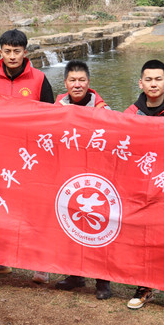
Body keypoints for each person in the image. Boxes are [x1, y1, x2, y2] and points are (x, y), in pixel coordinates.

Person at [0, 29, 54, 282]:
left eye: (17, 51)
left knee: (34, 210)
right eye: (7, 51)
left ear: (25, 52)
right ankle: (1, 261)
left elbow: (51, 117)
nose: (12, 56)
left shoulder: (39, 79)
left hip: (31, 157)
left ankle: (40, 264)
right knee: (0, 208)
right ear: (0, 52)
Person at [123, 59, 164, 314]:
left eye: (158, 79)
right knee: (142, 238)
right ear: (140, 83)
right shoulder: (130, 114)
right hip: (140, 186)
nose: (153, 84)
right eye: (148, 79)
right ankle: (144, 287)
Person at [53, 60, 113, 300]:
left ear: (89, 82)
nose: (77, 85)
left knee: (99, 228)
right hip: (67, 175)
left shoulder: (104, 110)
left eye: (81, 80)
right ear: (65, 82)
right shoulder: (56, 107)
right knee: (69, 225)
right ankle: (74, 275)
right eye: (72, 80)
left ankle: (102, 280)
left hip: (96, 177)